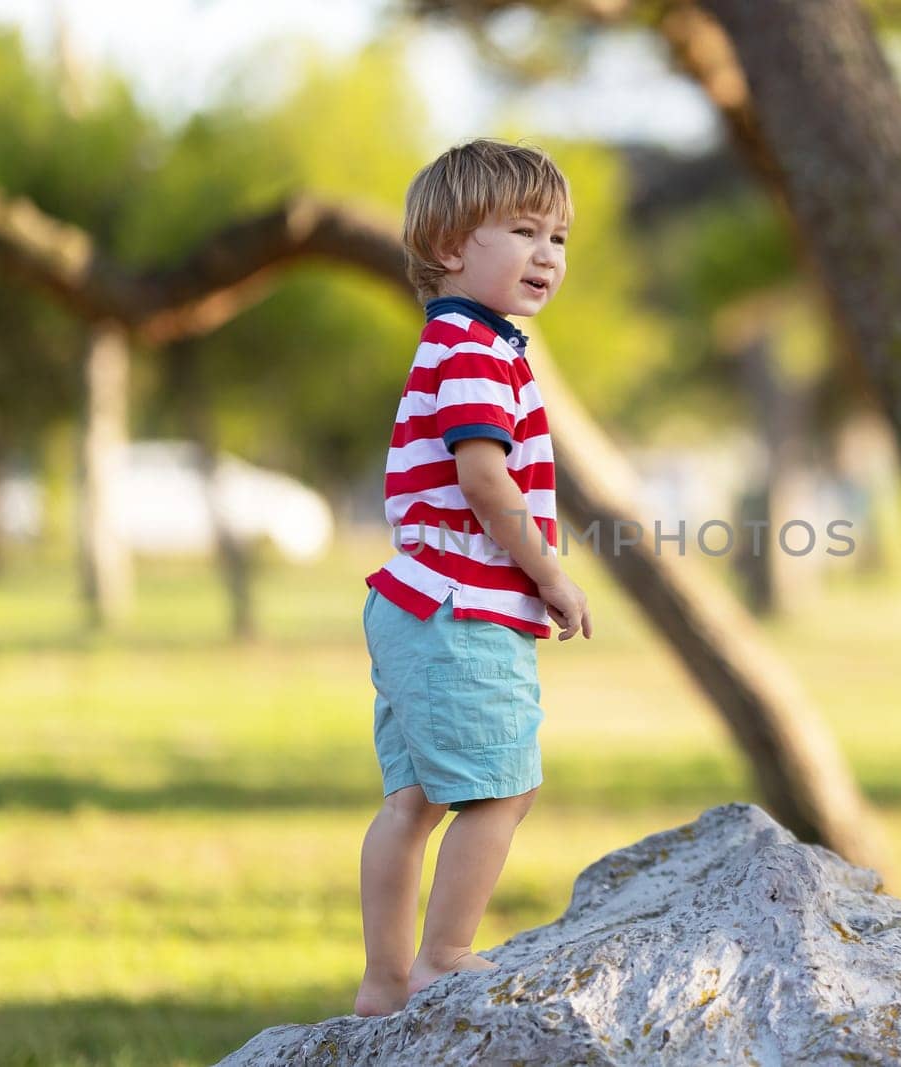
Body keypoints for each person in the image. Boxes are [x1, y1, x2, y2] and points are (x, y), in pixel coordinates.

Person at [352, 139, 594, 1018]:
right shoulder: (476, 352)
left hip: (417, 602)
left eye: (558, 237)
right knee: (504, 788)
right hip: (458, 608)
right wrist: (551, 575)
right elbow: (485, 478)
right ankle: (443, 955)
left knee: (414, 799)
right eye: (524, 230)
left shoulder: (464, 342)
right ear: (451, 247)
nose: (547, 255)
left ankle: (383, 980)